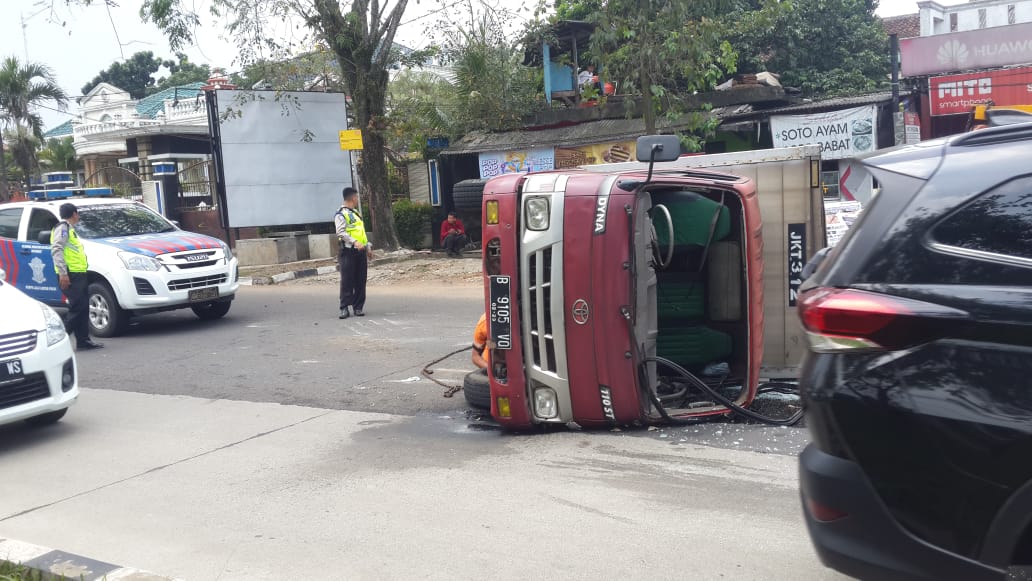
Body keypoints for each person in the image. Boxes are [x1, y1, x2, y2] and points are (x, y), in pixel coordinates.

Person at [51, 203, 103, 350]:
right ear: (74, 214)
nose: (78, 216)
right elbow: (57, 249)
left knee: (83, 307)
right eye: (77, 213)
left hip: (77, 273)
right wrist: (63, 273)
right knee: (77, 308)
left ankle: (83, 341)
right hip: (70, 275)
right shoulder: (63, 228)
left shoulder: (69, 229)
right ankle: (56, 342)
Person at [335, 187, 372, 319]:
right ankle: (344, 307)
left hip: (361, 252)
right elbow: (340, 232)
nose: (358, 199)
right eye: (357, 197)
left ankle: (358, 307)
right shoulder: (340, 214)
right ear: (352, 198)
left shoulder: (356, 213)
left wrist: (367, 247)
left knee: (361, 280)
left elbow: (361, 232)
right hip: (348, 251)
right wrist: (354, 242)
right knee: (347, 280)